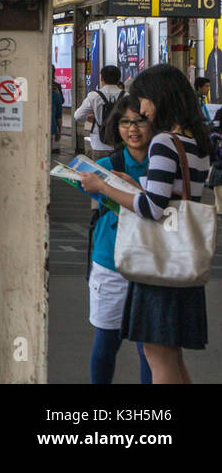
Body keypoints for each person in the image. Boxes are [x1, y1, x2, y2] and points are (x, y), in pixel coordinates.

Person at [77, 64, 211, 384]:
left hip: (158, 265)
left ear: (159, 97)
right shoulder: (197, 143)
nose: (142, 108)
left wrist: (104, 187)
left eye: (144, 100)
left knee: (158, 358)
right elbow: (173, 199)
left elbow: (153, 208)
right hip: (182, 261)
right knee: (171, 357)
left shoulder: (164, 141)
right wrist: (133, 186)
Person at [76, 94, 152, 385]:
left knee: (150, 346)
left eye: (140, 121)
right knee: (106, 341)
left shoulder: (163, 164)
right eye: (125, 122)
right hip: (110, 259)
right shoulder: (106, 164)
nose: (132, 129)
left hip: (151, 261)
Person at [74, 66, 125, 155]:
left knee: (100, 168)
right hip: (121, 142)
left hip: (99, 144)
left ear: (101, 78)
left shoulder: (94, 96)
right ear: (119, 79)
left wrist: (90, 118)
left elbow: (78, 116)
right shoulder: (126, 96)